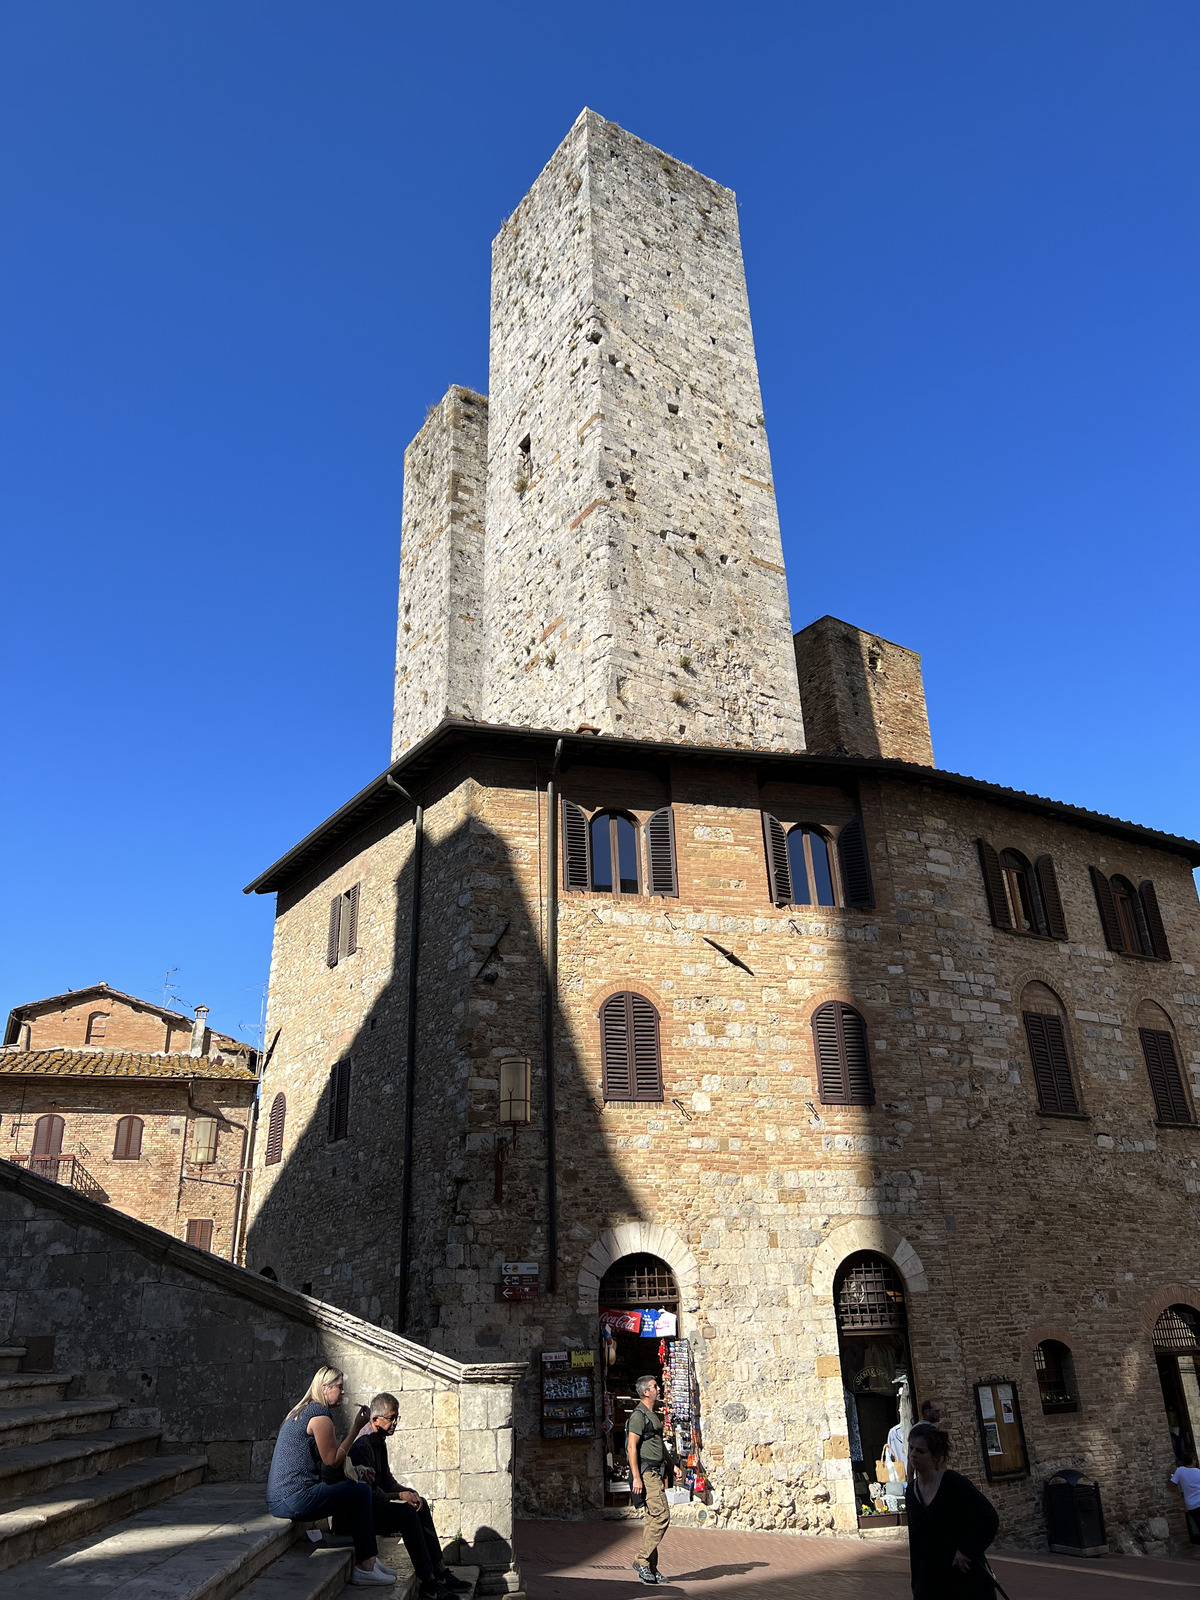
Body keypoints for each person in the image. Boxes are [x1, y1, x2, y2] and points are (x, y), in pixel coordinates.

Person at [266, 1365, 395, 1587]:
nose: (343, 1392)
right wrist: (356, 1427)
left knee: (355, 1488)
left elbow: (329, 1467)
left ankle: (371, 1558)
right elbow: (332, 1460)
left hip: (283, 1498)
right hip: (292, 1499)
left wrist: (357, 1471)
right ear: (325, 1388)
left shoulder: (303, 1411)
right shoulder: (319, 1415)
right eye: (340, 1387)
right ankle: (366, 1566)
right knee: (361, 1491)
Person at [336, 1392, 471, 1598]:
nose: (395, 1423)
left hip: (373, 1504)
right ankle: (428, 1583)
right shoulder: (363, 1445)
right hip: (357, 1517)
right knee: (406, 1514)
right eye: (391, 1418)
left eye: (396, 1418)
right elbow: (369, 1493)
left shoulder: (379, 1440)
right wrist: (399, 1495)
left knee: (420, 1504)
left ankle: (440, 1571)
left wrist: (408, 1493)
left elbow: (387, 1481)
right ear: (375, 1419)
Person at [905, 1421, 999, 1598]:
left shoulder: (953, 1483)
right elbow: (915, 1542)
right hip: (931, 1581)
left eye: (920, 1451)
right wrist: (915, 1583)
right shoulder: (911, 1492)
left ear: (935, 1456)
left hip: (964, 1579)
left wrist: (966, 1550)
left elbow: (989, 1518)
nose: (913, 1455)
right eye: (911, 1448)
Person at [627, 1374, 671, 1585]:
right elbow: (631, 1447)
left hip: (656, 1471)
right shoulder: (638, 1415)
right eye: (655, 1386)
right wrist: (636, 1477)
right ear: (646, 1392)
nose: (659, 1388)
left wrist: (673, 1466)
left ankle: (651, 1570)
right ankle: (642, 1560)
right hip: (647, 1473)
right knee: (661, 1515)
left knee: (653, 1519)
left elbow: (658, 1444)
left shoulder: (652, 1415)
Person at [1170, 1458, 1200, 1542]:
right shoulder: (1198, 1471)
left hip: (1192, 1505)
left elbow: (1172, 1484)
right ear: (1193, 1462)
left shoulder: (1180, 1471)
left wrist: (1172, 1474)